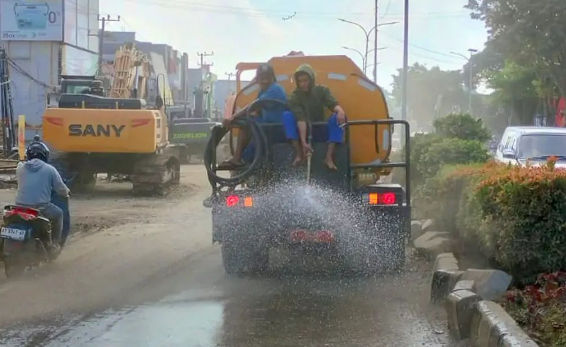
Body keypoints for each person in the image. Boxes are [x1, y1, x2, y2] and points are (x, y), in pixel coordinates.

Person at [220, 63, 287, 169]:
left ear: (272, 77)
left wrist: (233, 117)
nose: (264, 80)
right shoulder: (263, 91)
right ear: (258, 78)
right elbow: (257, 109)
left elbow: (254, 105)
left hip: (275, 129)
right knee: (246, 122)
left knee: (246, 123)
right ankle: (241, 160)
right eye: (261, 77)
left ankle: (238, 159)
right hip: (265, 128)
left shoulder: (275, 89)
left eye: (266, 77)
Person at [283, 64, 346, 170]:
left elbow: (332, 104)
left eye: (305, 80)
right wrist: (303, 142)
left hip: (320, 130)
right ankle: (299, 154)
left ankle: (328, 157)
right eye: (300, 81)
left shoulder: (322, 90)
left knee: (336, 117)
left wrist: (340, 111)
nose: (303, 84)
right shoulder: (294, 96)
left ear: (311, 79)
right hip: (303, 131)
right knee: (287, 115)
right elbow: (300, 119)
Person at [15, 137, 70, 252]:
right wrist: (66, 193)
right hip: (40, 207)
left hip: (19, 207)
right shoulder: (50, 169)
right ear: (45, 155)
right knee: (59, 214)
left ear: (28, 155)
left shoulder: (20, 168)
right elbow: (60, 189)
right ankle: (54, 244)